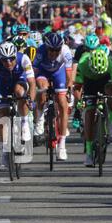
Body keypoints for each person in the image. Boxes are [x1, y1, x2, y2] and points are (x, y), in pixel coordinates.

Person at [0, 42, 36, 169]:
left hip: (20, 80)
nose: (8, 63)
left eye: (11, 59)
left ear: (15, 56)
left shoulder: (23, 58)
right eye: (5, 60)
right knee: (3, 117)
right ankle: (5, 150)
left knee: (20, 93)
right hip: (3, 84)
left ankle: (24, 123)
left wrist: (30, 100)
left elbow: (32, 83)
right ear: (0, 58)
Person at [74, 49, 112, 166]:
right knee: (89, 113)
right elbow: (78, 87)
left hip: (106, 81)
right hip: (90, 83)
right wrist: (79, 102)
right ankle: (89, 152)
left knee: (111, 92)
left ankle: (111, 120)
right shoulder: (82, 64)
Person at [33, 32, 73, 160]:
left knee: (62, 102)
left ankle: (62, 146)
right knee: (42, 87)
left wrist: (69, 90)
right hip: (43, 73)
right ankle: (39, 119)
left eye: (57, 50)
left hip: (58, 73)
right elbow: (33, 72)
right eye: (51, 50)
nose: (54, 53)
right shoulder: (40, 51)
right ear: (46, 47)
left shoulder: (66, 52)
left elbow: (69, 75)